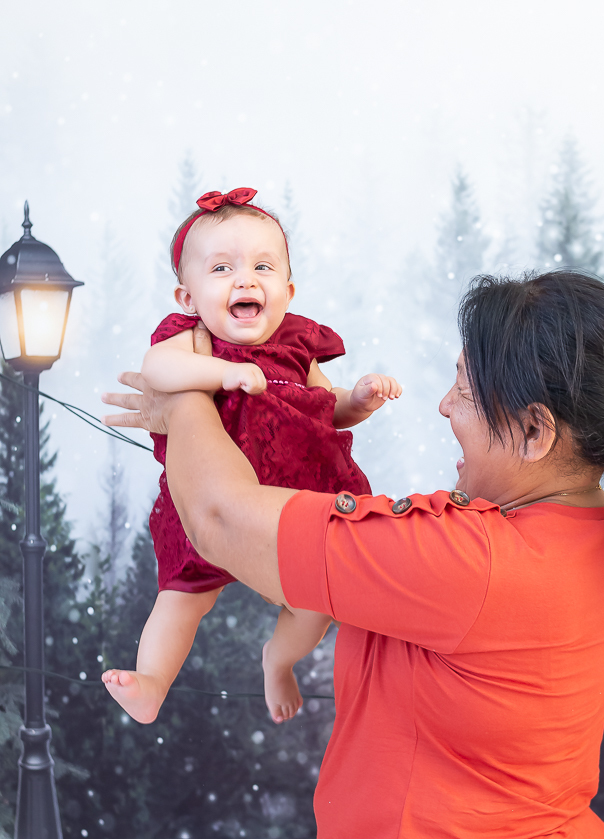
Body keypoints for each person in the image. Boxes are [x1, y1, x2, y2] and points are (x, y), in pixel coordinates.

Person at [102, 269, 604, 839]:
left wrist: (185, 395)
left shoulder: (472, 563)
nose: (443, 406)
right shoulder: (590, 530)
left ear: (535, 431)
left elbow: (219, 520)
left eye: (464, 390)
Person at [101, 187, 401, 725]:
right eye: (222, 268)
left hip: (295, 502)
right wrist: (224, 374)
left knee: (318, 603)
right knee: (182, 598)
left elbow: (326, 409)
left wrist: (358, 400)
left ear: (287, 289)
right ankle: (151, 683)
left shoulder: (297, 346)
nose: (245, 280)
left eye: (263, 266)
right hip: (205, 501)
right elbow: (156, 372)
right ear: (187, 298)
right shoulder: (192, 341)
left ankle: (277, 660)